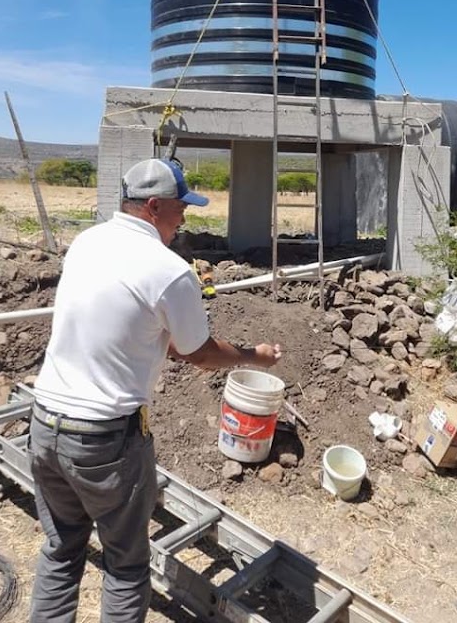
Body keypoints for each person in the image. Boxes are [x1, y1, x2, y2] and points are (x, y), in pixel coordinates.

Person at [29, 158, 282, 623]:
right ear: (152, 206)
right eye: (180, 207)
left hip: (45, 424)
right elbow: (199, 354)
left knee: (60, 550)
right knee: (125, 567)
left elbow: (121, 325)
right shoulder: (167, 269)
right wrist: (253, 355)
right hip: (105, 439)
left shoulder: (86, 242)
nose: (185, 216)